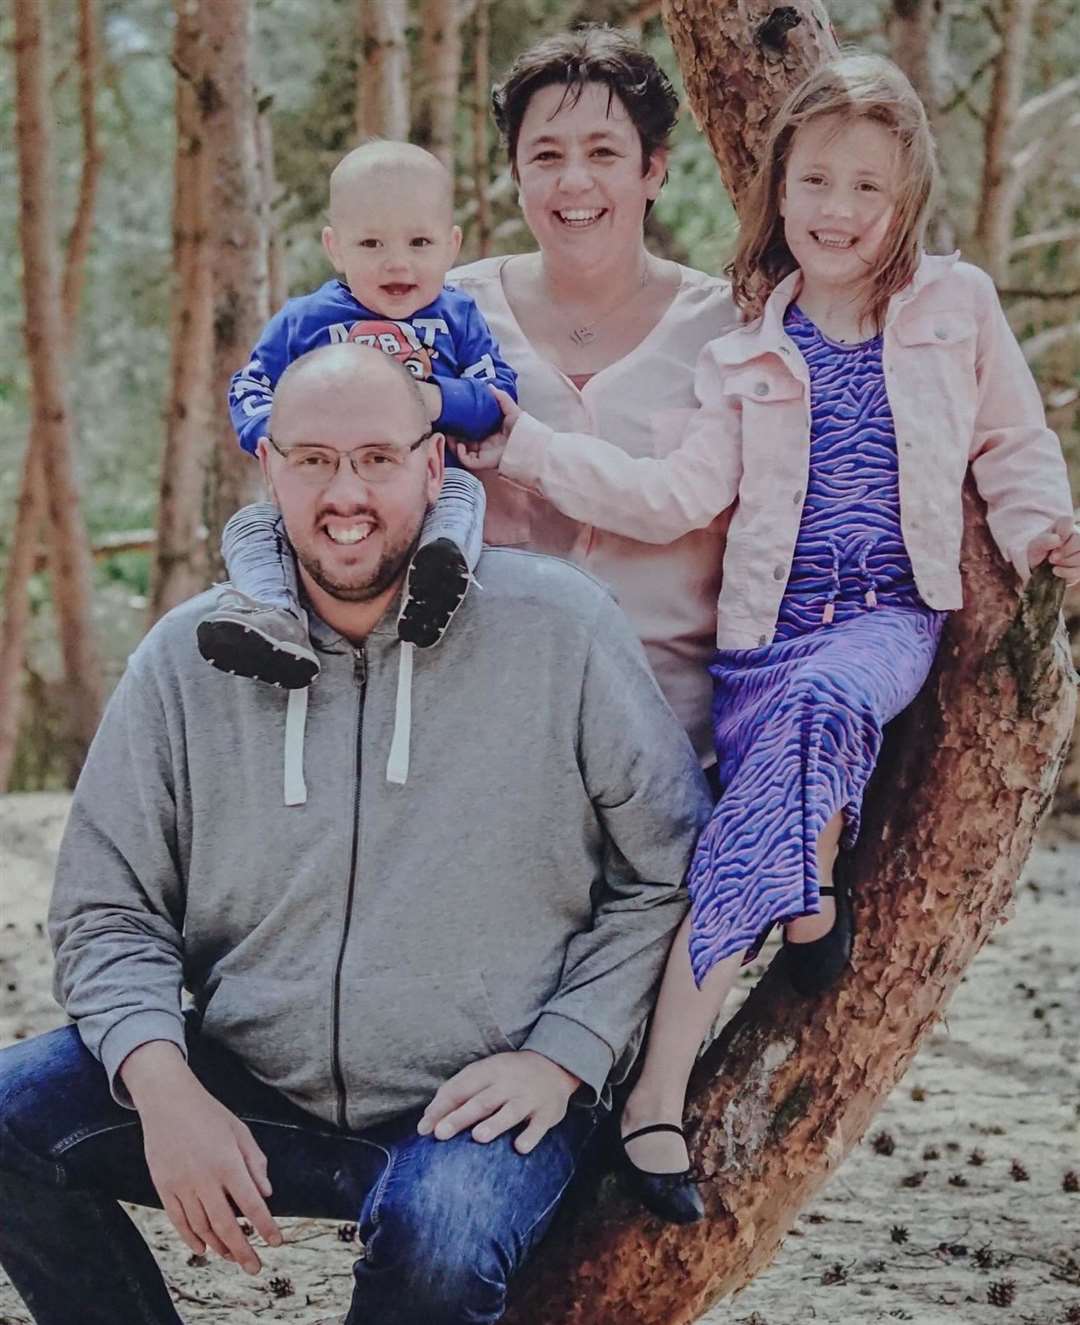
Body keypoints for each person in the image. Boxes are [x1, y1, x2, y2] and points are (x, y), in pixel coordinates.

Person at [461, 51, 1080, 1221]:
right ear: (777, 189)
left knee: (825, 706)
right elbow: (669, 497)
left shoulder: (955, 308)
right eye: (816, 183)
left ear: (905, 202)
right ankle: (668, 1085)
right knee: (734, 833)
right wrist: (519, 447)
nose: (839, 213)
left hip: (882, 620)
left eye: (868, 190)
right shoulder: (745, 348)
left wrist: (1048, 529)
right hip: (764, 637)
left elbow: (1012, 438)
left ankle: (753, 960)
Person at [0, 346, 711, 1325]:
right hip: (247, 1073)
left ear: (434, 465)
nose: (346, 493)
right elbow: (105, 905)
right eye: (315, 459)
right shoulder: (184, 658)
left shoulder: (561, 630)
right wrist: (161, 1083)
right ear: (270, 467)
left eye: (378, 457)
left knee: (441, 1249)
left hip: (480, 1103)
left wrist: (566, 1050)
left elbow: (672, 868)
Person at [197, 140, 518, 687]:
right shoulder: (305, 321)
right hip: (326, 493)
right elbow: (249, 385)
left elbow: (500, 398)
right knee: (253, 525)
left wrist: (437, 398)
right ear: (334, 247)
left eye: (419, 242)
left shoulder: (459, 317)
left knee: (467, 496)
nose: (397, 262)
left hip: (429, 490)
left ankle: (435, 584)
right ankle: (271, 617)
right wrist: (277, 436)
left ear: (452, 245)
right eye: (370, 243)